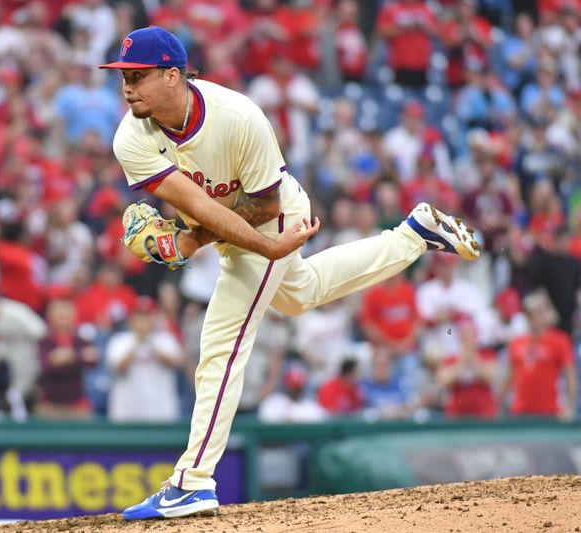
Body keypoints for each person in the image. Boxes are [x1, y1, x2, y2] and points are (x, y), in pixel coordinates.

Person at [100, 26, 480, 520]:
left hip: (274, 215)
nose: (127, 86)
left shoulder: (239, 117)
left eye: (138, 75)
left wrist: (238, 245)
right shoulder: (131, 134)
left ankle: (192, 482)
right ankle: (413, 234)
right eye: (122, 76)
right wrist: (187, 238)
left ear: (173, 76)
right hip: (237, 224)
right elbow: (195, 205)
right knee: (301, 294)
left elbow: (262, 207)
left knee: (221, 342)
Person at [500, 290, 577, 420]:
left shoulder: (559, 342)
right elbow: (510, 377)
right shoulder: (516, 343)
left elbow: (570, 377)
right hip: (520, 412)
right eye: (530, 314)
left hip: (549, 411)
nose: (534, 318)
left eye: (538, 313)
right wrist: (498, 402)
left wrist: (569, 407)